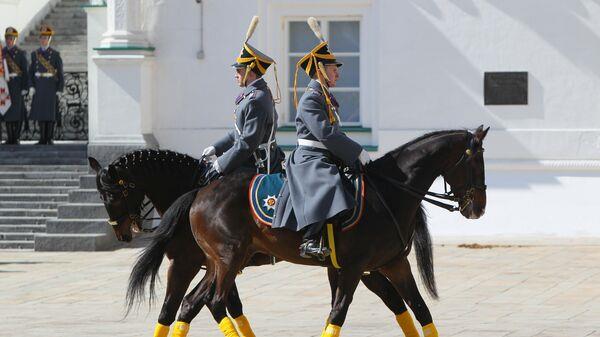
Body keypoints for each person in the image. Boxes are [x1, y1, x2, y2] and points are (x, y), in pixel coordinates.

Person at [276, 17, 371, 260]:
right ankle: (310, 240)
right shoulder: (311, 99)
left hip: (323, 153)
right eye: (333, 69)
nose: (338, 73)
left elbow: (336, 133)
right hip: (310, 158)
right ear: (320, 70)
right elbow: (325, 133)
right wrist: (356, 151)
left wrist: (351, 154)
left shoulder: (325, 97)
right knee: (329, 184)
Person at [201, 16, 285, 183]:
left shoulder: (256, 99)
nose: (236, 75)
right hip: (250, 158)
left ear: (250, 72)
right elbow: (239, 131)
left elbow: (248, 142)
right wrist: (217, 148)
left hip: (256, 164)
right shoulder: (255, 94)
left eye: (239, 71)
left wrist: (221, 164)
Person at [28, 25, 63, 145]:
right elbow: (31, 72)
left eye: (45, 38)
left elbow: (60, 73)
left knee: (50, 113)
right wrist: (31, 86)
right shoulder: (35, 54)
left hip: (50, 86)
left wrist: (59, 89)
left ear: (49, 39)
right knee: (41, 113)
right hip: (39, 86)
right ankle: (42, 138)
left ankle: (49, 138)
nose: (43, 40)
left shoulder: (55, 54)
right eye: (41, 38)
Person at [1, 27, 29, 145]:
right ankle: (10, 137)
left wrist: (25, 88)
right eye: (7, 38)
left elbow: (25, 72)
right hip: (5, 86)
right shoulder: (2, 53)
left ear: (15, 39)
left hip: (17, 85)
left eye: (11, 38)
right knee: (7, 111)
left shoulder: (21, 53)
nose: (9, 40)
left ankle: (16, 137)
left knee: (17, 112)